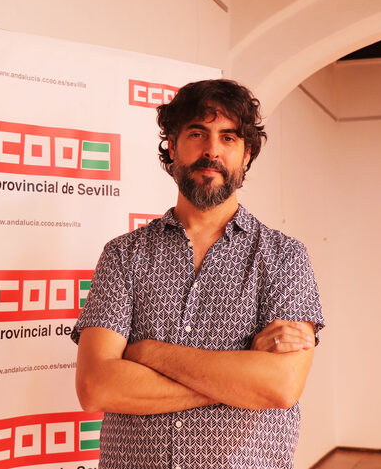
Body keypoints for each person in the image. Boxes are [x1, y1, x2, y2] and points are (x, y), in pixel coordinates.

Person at [71, 79, 324, 469]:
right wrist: (238, 378)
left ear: (246, 154)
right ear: (172, 146)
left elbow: (280, 386)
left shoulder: (285, 257)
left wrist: (145, 353)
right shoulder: (124, 255)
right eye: (197, 134)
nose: (212, 150)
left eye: (228, 137)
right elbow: (96, 387)